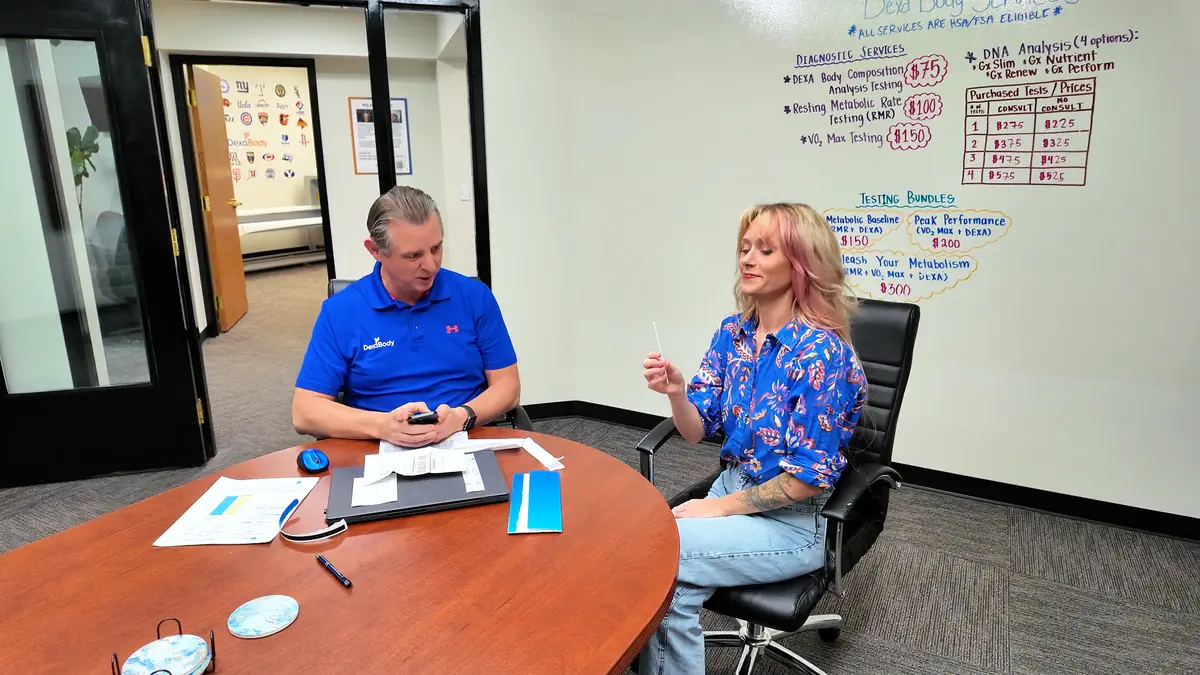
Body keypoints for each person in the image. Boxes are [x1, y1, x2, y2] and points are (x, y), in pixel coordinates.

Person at [638, 203, 867, 675]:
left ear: (801, 265)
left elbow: (805, 482)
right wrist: (678, 394)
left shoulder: (821, 354)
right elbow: (694, 430)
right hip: (735, 488)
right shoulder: (734, 333)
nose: (747, 259)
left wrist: (715, 506)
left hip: (794, 522)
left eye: (765, 249)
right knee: (669, 587)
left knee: (654, 553)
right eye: (745, 248)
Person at [291, 185, 520, 448]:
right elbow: (305, 412)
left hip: (467, 437)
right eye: (413, 255)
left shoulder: (474, 297)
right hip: (376, 446)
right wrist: (383, 426)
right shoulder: (340, 312)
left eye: (436, 248)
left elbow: (508, 387)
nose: (431, 265)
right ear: (375, 250)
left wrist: (461, 417)